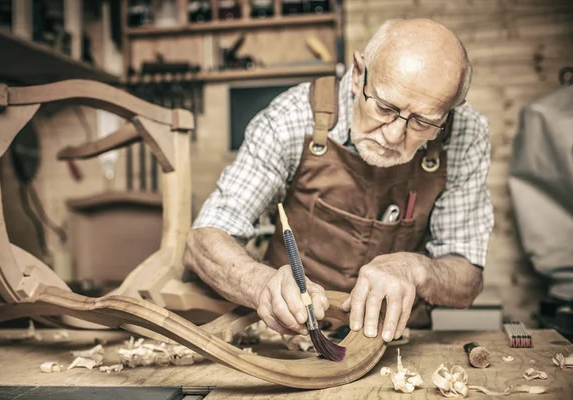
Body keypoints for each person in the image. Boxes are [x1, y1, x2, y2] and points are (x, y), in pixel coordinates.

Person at [183, 18, 494, 343]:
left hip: (397, 342)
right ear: (359, 73)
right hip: (289, 339)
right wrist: (261, 284)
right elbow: (203, 241)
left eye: (421, 123)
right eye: (385, 108)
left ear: (447, 115)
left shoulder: (465, 134)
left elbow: (467, 280)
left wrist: (417, 269)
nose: (393, 134)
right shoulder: (293, 117)